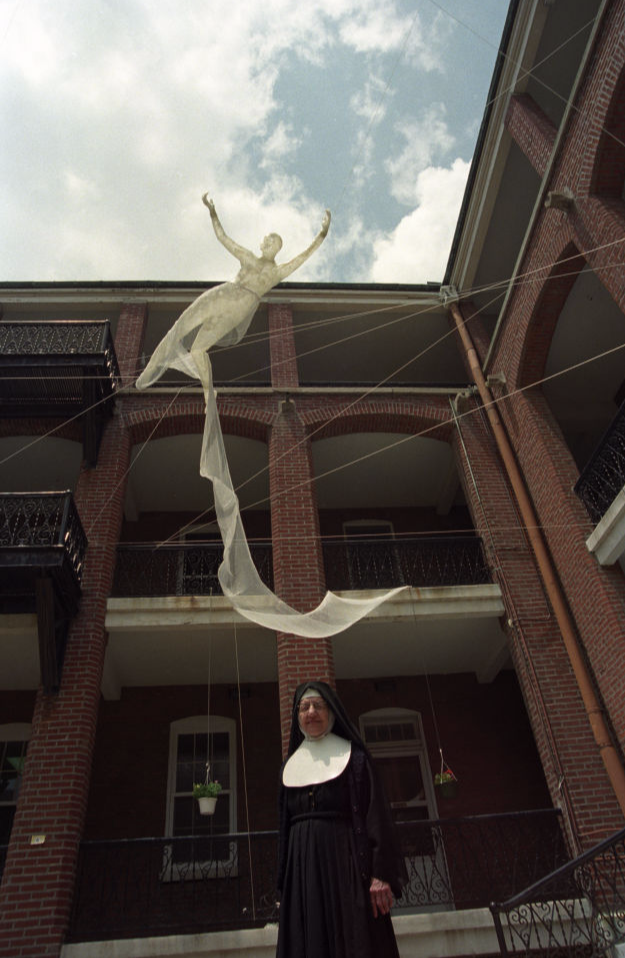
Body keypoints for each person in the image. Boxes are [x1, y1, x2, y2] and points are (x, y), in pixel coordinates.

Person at [136, 196, 331, 389]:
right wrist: (213, 213)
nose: (268, 244)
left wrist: (321, 235)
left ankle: (207, 393)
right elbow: (223, 238)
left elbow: (302, 257)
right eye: (268, 241)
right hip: (225, 294)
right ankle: (151, 369)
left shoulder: (276, 273)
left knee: (198, 349)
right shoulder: (249, 258)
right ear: (263, 244)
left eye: (273, 243)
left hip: (238, 309)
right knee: (181, 326)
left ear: (277, 249)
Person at [276, 680, 406, 958]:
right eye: (304, 707)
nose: (311, 712)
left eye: (318, 706)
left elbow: (376, 816)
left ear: (332, 712)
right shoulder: (289, 766)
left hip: (346, 868)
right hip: (303, 874)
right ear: (297, 715)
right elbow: (284, 830)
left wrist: (380, 875)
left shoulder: (355, 759)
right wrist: (283, 883)